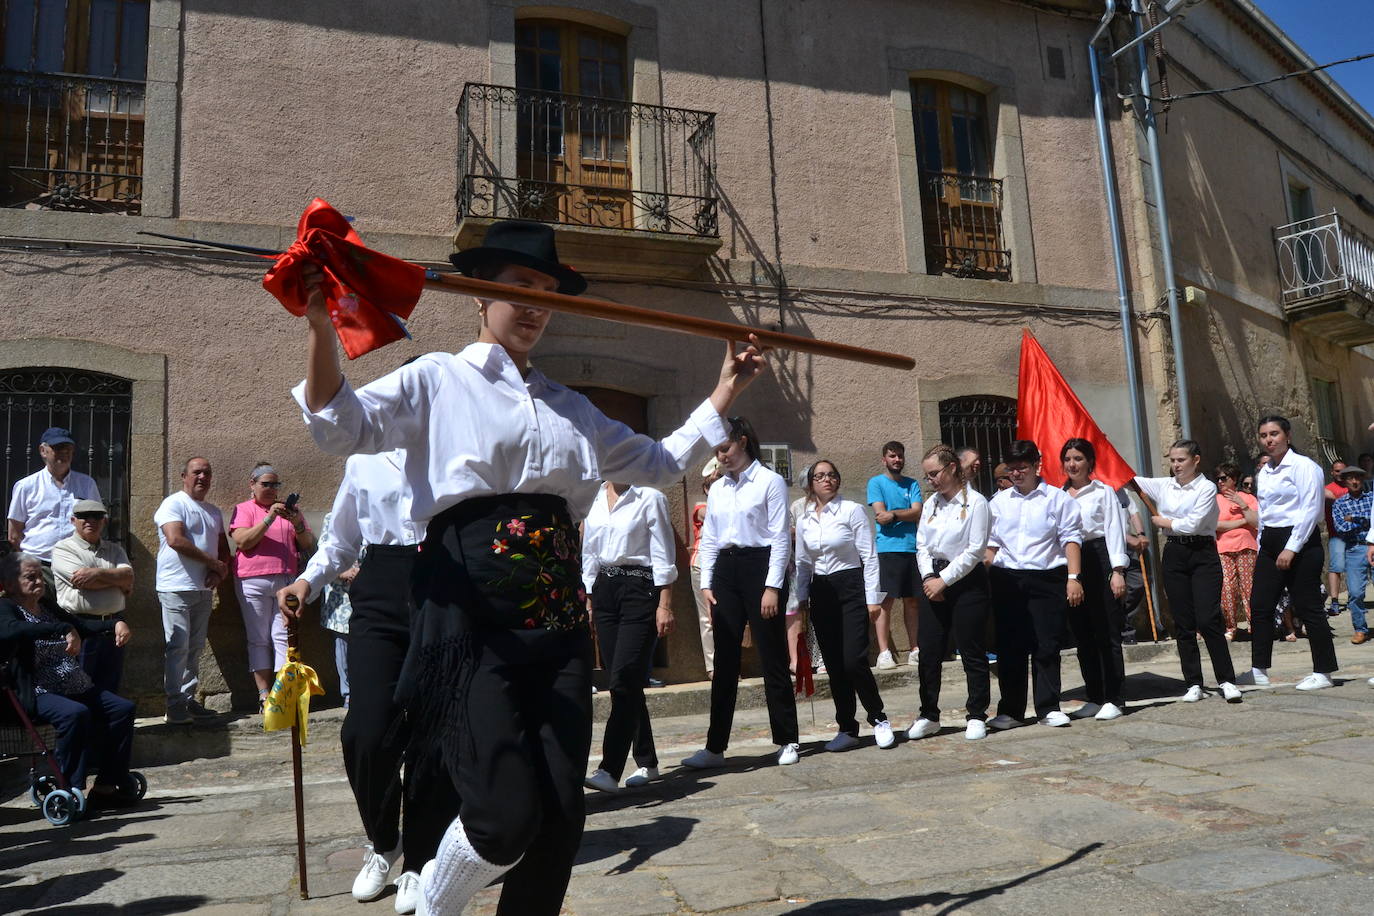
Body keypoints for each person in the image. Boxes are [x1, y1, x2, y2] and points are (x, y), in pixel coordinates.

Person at [290, 219, 762, 915]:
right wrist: (319, 329)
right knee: (502, 812)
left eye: (547, 291)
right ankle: (433, 906)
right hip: (469, 619)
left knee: (559, 815)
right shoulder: (438, 380)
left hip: (559, 625)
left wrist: (726, 390)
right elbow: (340, 424)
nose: (537, 304)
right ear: (480, 296)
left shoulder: (573, 408)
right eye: (520, 287)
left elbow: (661, 465)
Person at [278, 450, 433, 913]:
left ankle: (422, 861)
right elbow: (340, 541)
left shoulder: (457, 446)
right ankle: (386, 841)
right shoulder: (364, 461)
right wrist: (306, 583)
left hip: (446, 585)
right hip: (381, 586)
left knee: (433, 733)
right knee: (365, 731)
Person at [685, 416, 799, 770]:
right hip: (725, 572)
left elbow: (780, 537)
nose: (721, 457)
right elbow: (712, 537)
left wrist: (771, 586)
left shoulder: (770, 481)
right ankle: (715, 746)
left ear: (744, 442)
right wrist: (707, 582)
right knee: (725, 661)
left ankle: (787, 738)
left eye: (726, 448)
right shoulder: (718, 488)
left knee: (772, 656)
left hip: (759, 566)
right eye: (717, 451)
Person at [0, 551, 138, 809]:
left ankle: (107, 784)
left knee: (122, 709)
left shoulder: (47, 606)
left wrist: (115, 624)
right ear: (8, 584)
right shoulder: (5, 609)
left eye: (41, 576)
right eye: (31, 577)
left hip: (71, 684)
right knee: (75, 714)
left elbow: (80, 626)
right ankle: (71, 786)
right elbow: (13, 631)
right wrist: (60, 630)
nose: (39, 581)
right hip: (35, 691)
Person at [793, 460, 894, 752]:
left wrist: (872, 598)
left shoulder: (852, 510)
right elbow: (802, 562)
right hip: (820, 590)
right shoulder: (804, 519)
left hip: (850, 585)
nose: (827, 480)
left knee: (853, 660)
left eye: (832, 475)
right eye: (820, 476)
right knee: (834, 665)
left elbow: (869, 555)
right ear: (811, 483)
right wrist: (801, 600)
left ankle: (879, 718)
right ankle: (847, 727)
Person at [582, 482, 676, 791]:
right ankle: (647, 762)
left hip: (640, 588)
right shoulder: (594, 498)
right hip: (605, 590)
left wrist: (664, 603)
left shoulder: (650, 497)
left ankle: (609, 770)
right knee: (624, 681)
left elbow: (663, 552)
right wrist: (590, 597)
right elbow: (590, 549)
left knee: (624, 679)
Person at [1132, 441, 1241, 703]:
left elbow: (1194, 524)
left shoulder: (1206, 487)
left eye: (1181, 460)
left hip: (1202, 553)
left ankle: (1226, 679)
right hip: (1175, 554)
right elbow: (1130, 479)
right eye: (1172, 460)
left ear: (1195, 460)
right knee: (1183, 621)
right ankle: (1193, 681)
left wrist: (1165, 522)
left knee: (1208, 618)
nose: (1176, 465)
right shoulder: (1164, 485)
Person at [985, 440, 1083, 729]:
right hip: (1008, 579)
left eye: (1022, 468)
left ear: (1036, 466)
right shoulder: (998, 502)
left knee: (1046, 643)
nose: (1016, 474)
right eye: (1011, 469)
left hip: (1047, 578)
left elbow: (1071, 539)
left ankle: (1048, 707)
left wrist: (1073, 578)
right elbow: (991, 545)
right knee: (1010, 646)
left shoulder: (1057, 499)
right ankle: (1011, 711)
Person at [1245, 415, 1338, 691]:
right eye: (1263, 435)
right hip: (1271, 541)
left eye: (1274, 434)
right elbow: (1266, 512)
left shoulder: (1304, 466)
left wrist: (1291, 547)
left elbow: (1311, 510)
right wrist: (1264, 543)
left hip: (1299, 540)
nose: (1269, 440)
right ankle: (1259, 669)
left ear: (1287, 436)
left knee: (1309, 607)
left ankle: (1324, 671)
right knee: (1260, 605)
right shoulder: (1265, 472)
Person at [910, 444, 993, 740]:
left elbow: (974, 551)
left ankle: (977, 713)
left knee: (971, 648)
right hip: (933, 580)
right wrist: (930, 577)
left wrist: (944, 580)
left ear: (952, 468)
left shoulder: (977, 503)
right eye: (927, 476)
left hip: (966, 581)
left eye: (934, 473)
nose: (930, 480)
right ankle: (929, 713)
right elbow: (922, 545)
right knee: (929, 650)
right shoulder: (932, 503)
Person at [230, 462, 316, 709]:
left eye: (274, 484)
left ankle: (283, 694)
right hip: (252, 580)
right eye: (265, 484)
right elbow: (243, 541)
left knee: (283, 636)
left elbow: (307, 542)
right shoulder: (244, 509)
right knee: (258, 638)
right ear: (253, 485)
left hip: (286, 581)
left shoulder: (291, 510)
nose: (270, 489)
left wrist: (297, 522)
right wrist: (270, 518)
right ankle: (264, 695)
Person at [154, 457, 229, 725]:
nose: (202, 477)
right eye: (197, 472)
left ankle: (187, 699)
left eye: (207, 473)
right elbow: (175, 539)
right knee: (178, 646)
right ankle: (174, 705)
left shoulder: (213, 511)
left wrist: (218, 570)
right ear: (184, 475)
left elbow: (221, 547)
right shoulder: (173, 503)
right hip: (175, 587)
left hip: (202, 589)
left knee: (194, 647)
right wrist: (211, 563)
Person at [1061, 439, 1129, 721]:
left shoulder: (1103, 492)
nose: (1072, 464)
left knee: (1107, 632)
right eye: (1067, 459)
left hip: (1099, 558)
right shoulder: (1058, 494)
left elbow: (1115, 530)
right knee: (1083, 633)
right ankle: (1095, 695)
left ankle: (1115, 697)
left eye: (1078, 458)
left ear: (1089, 462)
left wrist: (1117, 570)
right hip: (1071, 564)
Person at [7, 427, 102, 613]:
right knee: (38, 618)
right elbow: (14, 534)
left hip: (76, 566)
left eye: (68, 449)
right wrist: (29, 563)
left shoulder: (86, 484)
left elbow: (98, 523)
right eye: (58, 448)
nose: (64, 454)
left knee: (75, 618)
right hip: (39, 565)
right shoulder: (26, 486)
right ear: (43, 451)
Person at [50, 499, 133, 694]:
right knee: (80, 688)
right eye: (83, 516)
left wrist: (95, 574)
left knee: (110, 687)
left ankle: (105, 725)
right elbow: (89, 582)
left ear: (104, 521)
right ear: (73, 520)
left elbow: (128, 577)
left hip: (114, 629)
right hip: (81, 628)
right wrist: (115, 579)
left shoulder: (115, 550)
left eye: (96, 516)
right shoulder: (63, 549)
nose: (90, 520)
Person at [866, 441, 923, 669]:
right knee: (885, 602)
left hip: (912, 548)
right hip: (887, 549)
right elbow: (880, 515)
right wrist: (904, 513)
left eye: (900, 456)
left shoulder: (913, 483)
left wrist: (895, 515)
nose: (897, 460)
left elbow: (918, 511)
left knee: (912, 601)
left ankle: (915, 649)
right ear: (884, 459)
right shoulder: (876, 483)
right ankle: (884, 652)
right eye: (892, 456)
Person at [1214, 462, 1259, 641]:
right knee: (1227, 588)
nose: (1219, 481)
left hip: (1246, 546)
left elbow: (1256, 521)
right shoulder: (1214, 500)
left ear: (1233, 479)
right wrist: (1242, 521)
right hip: (1223, 548)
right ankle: (1230, 626)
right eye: (1217, 478)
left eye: (1223, 478)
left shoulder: (1247, 498)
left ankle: (1254, 625)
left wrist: (1242, 505)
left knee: (1249, 588)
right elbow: (1216, 525)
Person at [1332, 466, 1372, 644]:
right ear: (1345, 481)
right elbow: (1341, 529)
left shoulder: (1372, 499)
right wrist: (1364, 520)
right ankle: (1360, 629)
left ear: (1362, 480)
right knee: (1355, 592)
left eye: (1358, 478)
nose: (1355, 481)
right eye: (1351, 478)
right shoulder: (1339, 504)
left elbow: (1372, 521)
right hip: (1355, 548)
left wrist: (1353, 518)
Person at [689, 460, 720, 678]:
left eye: (721, 481)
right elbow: (714, 516)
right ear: (706, 489)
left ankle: (729, 661)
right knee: (707, 618)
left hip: (727, 565)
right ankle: (714, 666)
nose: (716, 487)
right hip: (701, 564)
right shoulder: (702, 507)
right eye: (712, 484)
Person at [1325, 460, 1350, 616]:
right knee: (1335, 568)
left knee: (1358, 568)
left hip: (1355, 535)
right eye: (1336, 471)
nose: (1339, 473)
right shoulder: (1326, 489)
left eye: (1342, 470)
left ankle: (1355, 599)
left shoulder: (1353, 487)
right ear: (1332, 472)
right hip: (1336, 535)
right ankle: (1335, 601)